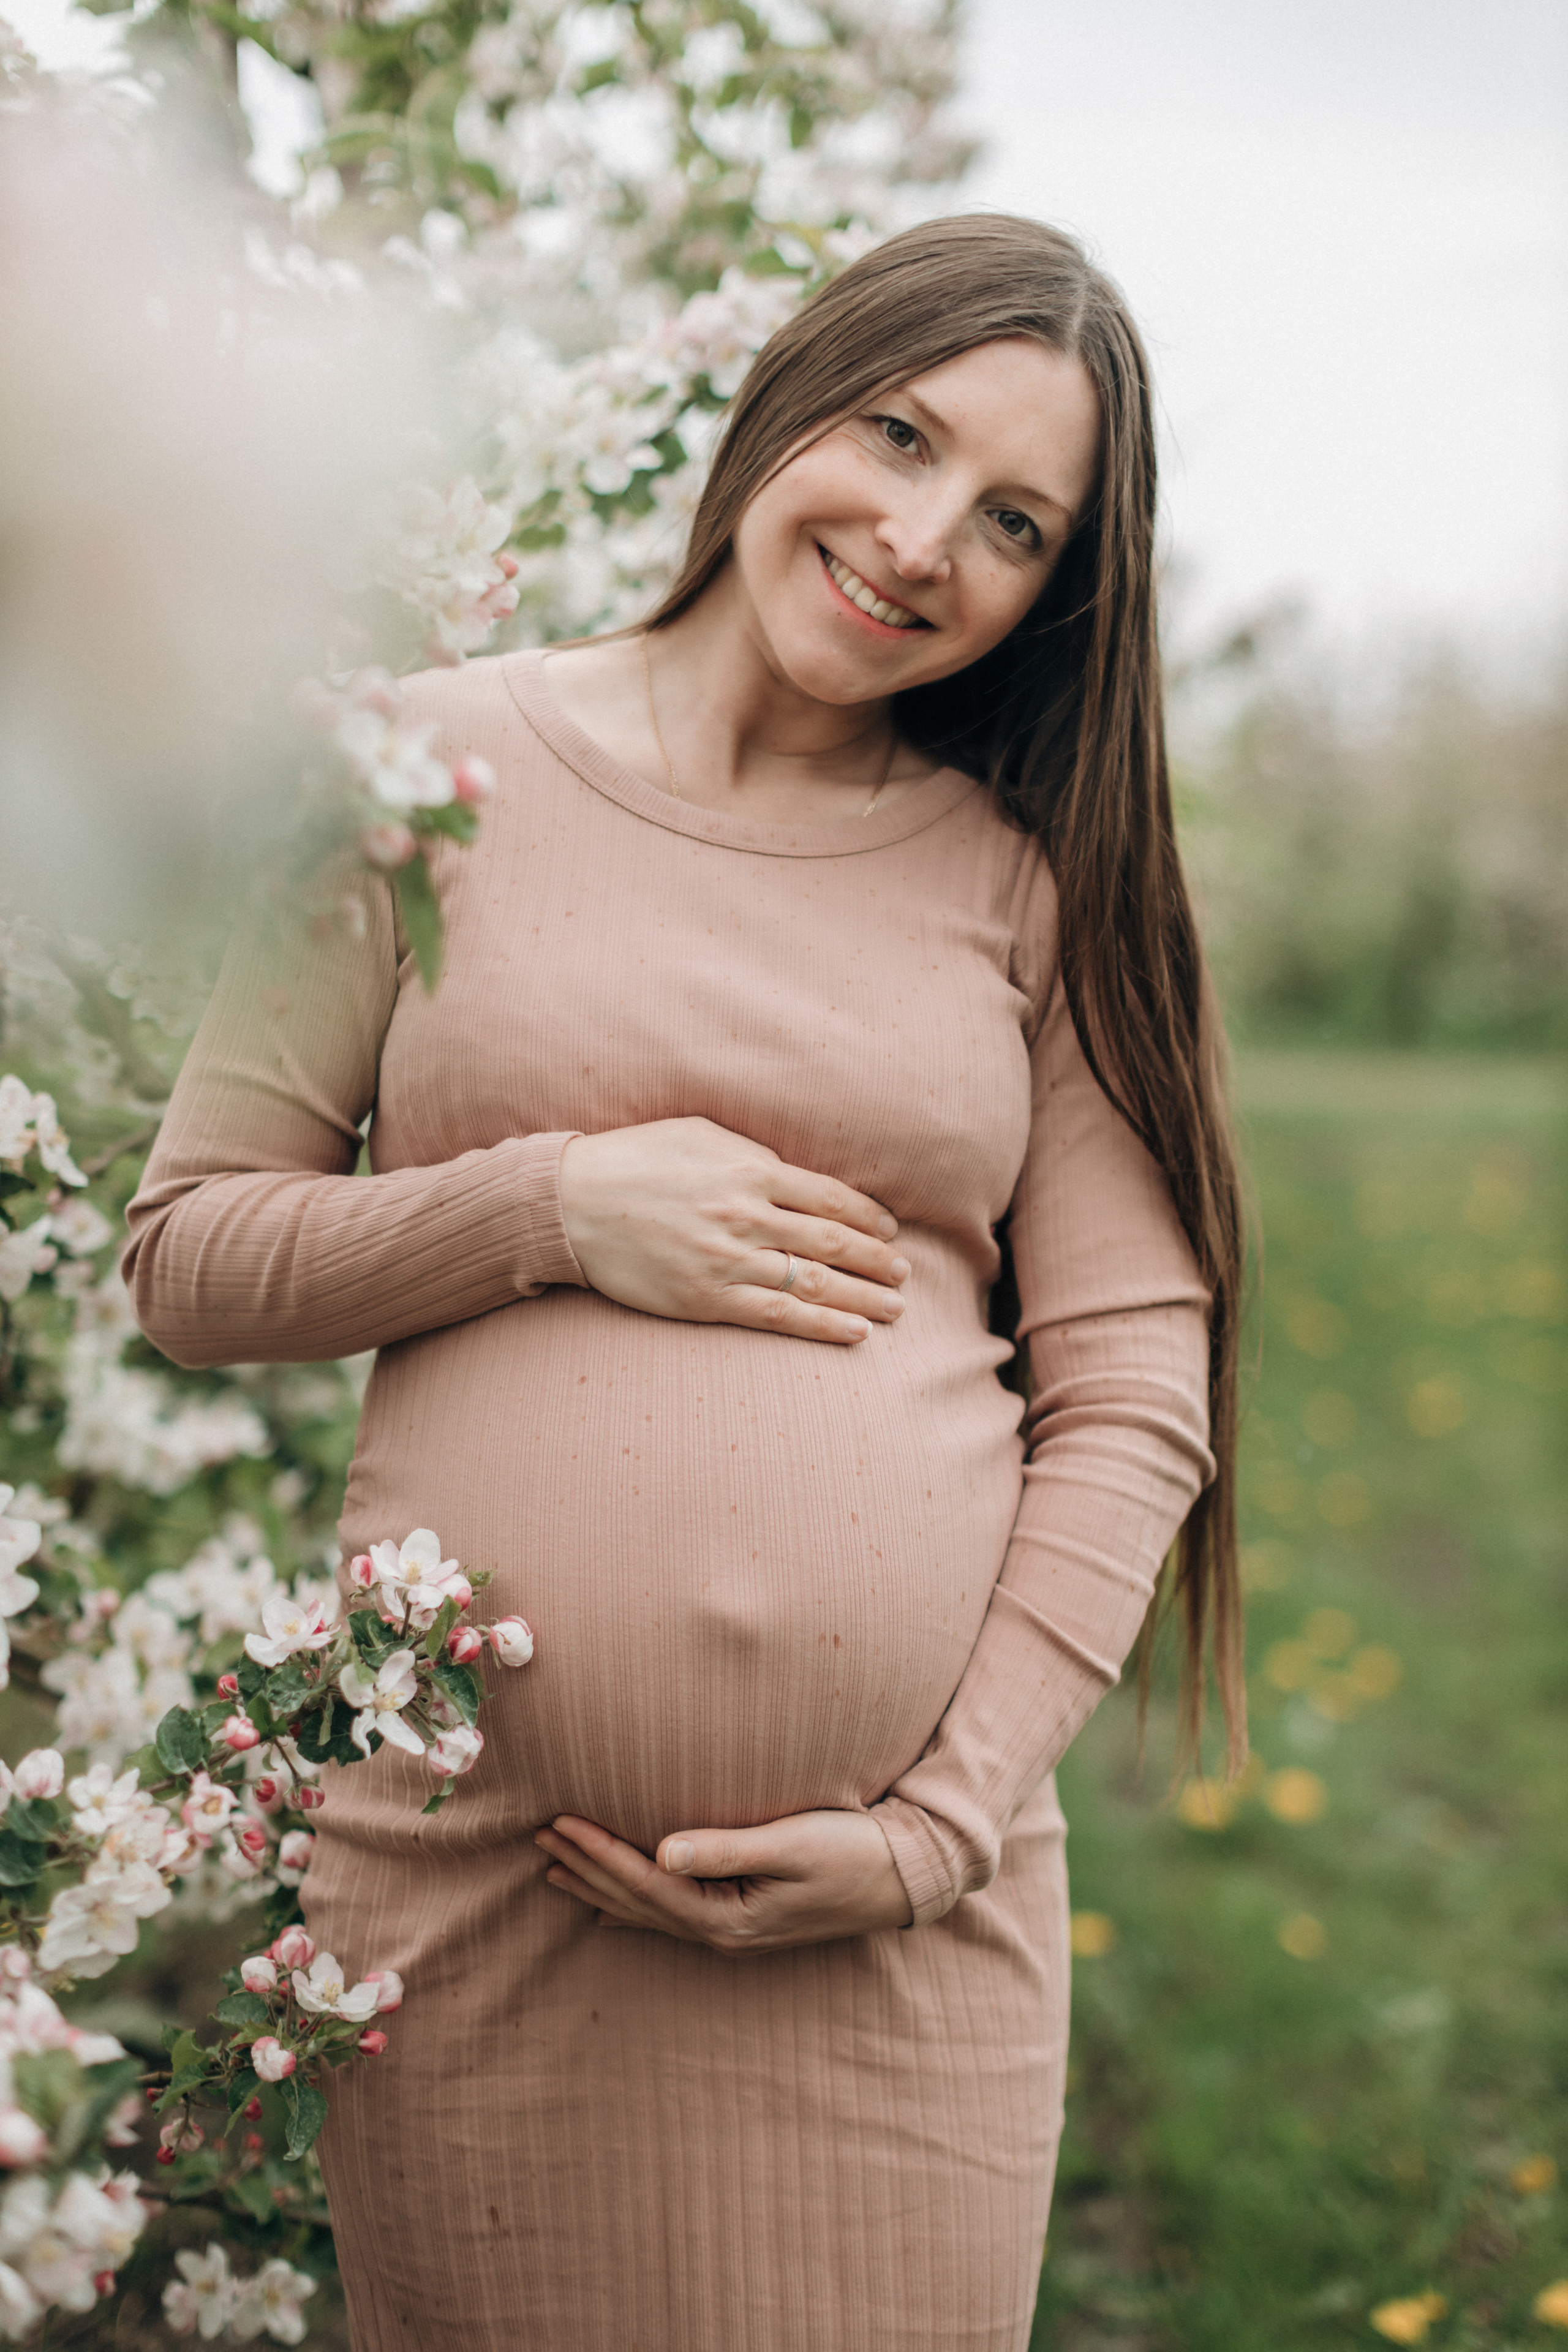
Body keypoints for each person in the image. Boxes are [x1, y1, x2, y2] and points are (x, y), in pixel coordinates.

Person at [124, 213, 1245, 2352]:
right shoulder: (415, 778)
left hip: (892, 1954)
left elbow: (1136, 1394)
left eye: (1013, 521)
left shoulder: (1028, 882)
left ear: (1059, 591)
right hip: (469, 1902)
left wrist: (932, 1831)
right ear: (787, 396)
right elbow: (193, 1258)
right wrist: (548, 1207)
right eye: (900, 435)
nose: (921, 542)